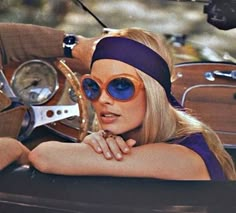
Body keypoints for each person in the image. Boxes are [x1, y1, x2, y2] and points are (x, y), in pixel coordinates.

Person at [27, 27, 236, 180]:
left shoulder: (185, 157)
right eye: (93, 86)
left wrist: (89, 151)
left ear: (153, 92)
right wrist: (93, 143)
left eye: (120, 86)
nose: (103, 99)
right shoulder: (126, 143)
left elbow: (44, 156)